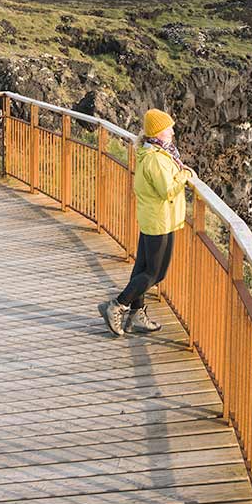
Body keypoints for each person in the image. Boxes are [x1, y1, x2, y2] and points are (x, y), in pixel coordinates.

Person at [99, 108, 194, 336]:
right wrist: (186, 174)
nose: (172, 131)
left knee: (142, 268)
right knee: (155, 273)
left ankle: (136, 315)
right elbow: (167, 190)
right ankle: (117, 305)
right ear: (157, 132)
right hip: (160, 220)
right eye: (168, 128)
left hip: (156, 218)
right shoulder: (155, 159)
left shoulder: (154, 152)